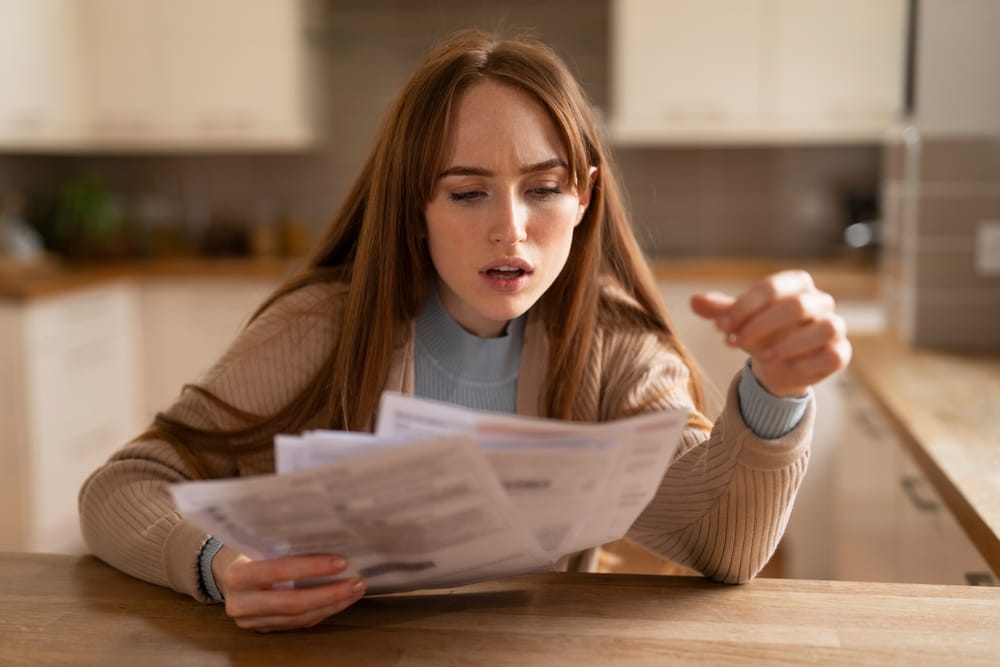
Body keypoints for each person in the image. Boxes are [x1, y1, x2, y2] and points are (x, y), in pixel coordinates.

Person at [79, 30, 851, 632]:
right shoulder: (324, 328)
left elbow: (723, 543)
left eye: (543, 188)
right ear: (417, 203)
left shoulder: (616, 347)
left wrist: (775, 393)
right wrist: (217, 563)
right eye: (467, 193)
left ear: (584, 197)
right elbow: (121, 487)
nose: (509, 230)